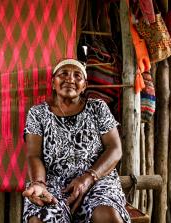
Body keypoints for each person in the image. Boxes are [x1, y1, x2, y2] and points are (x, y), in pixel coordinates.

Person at [22, 58, 130, 223]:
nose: (70, 79)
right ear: (53, 82)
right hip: (54, 182)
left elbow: (115, 149)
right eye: (63, 74)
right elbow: (33, 155)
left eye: (77, 76)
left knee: (107, 216)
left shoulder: (98, 108)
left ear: (84, 85)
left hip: (97, 179)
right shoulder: (37, 114)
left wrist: (88, 178)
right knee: (39, 220)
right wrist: (39, 184)